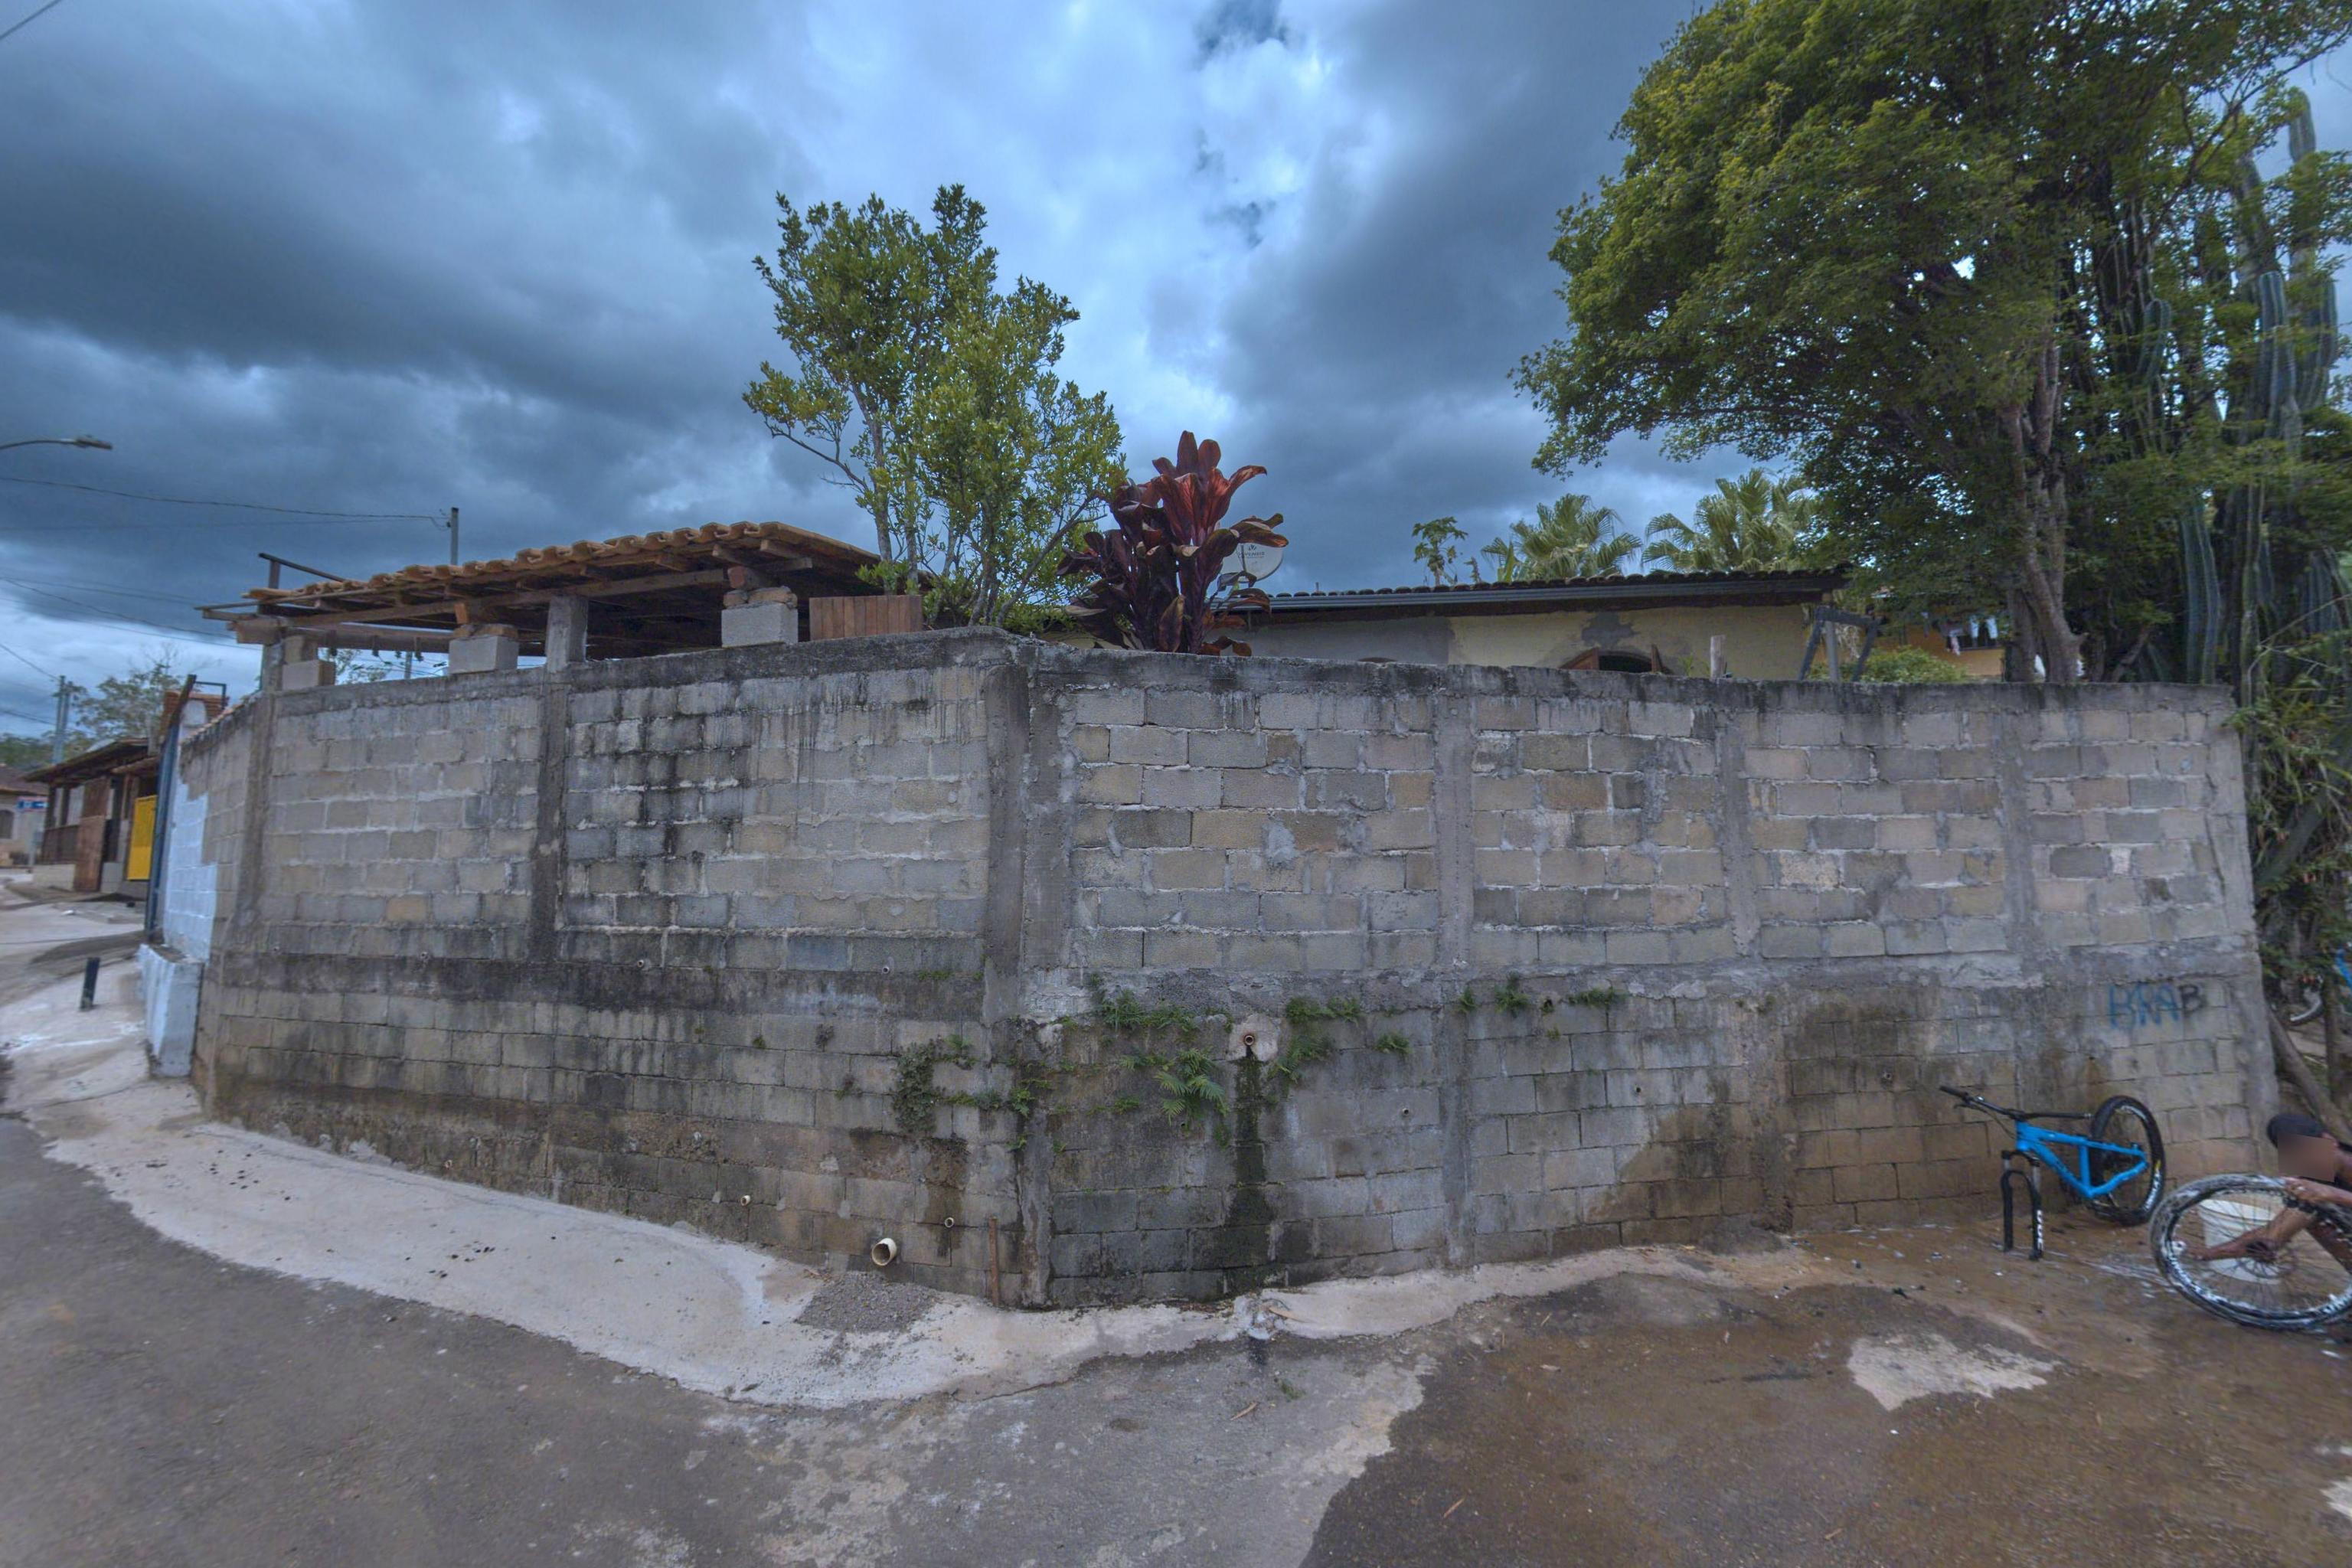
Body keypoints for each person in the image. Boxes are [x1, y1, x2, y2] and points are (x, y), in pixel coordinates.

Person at [2186, 1112, 2352, 1264]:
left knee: (2320, 1204)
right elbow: (2276, 1230)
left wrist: (2334, 1194)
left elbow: (2332, 1194)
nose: (2312, 1164)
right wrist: (2210, 1254)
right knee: (2311, 1209)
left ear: (2330, 1141)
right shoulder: (2316, 1177)